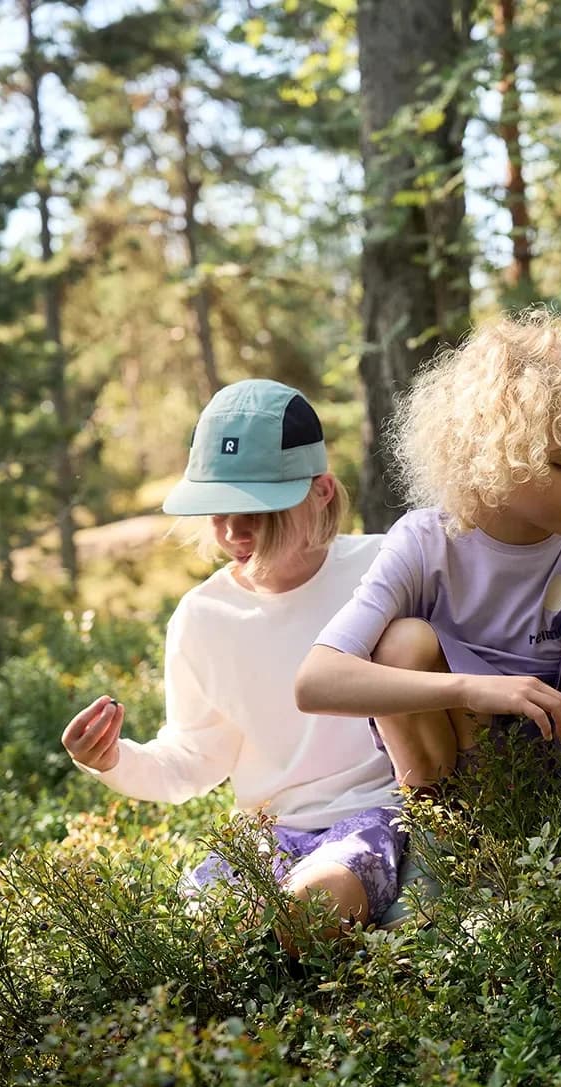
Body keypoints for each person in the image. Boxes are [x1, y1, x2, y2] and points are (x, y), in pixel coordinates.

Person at [295, 309, 561, 911]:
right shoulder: (427, 543)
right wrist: (475, 691)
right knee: (401, 643)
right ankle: (446, 841)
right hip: (468, 775)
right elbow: (316, 681)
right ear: (491, 458)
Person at [62, 379, 404, 939]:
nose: (232, 530)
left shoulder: (387, 566)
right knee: (195, 935)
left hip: (372, 818)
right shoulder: (202, 616)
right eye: (217, 508)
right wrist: (110, 760)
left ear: (321, 490)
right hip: (266, 837)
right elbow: (191, 760)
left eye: (256, 507)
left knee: (308, 912)